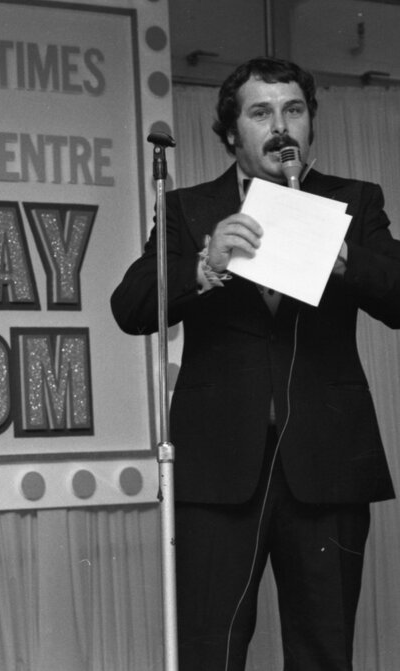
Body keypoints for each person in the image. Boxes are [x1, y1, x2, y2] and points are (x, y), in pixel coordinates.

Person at [111, 57, 400, 670]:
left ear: (310, 124)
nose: (281, 126)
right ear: (230, 132)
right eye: (261, 112)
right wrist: (201, 264)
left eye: (293, 110)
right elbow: (131, 306)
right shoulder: (191, 208)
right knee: (207, 654)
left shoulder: (354, 201)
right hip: (218, 470)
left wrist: (348, 258)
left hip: (326, 465)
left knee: (324, 654)